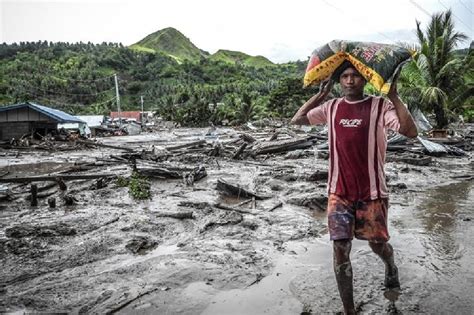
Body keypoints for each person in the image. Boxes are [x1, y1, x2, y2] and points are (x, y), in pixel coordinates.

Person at [291, 61, 418, 314]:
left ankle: (390, 265)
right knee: (340, 248)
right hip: (339, 193)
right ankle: (349, 311)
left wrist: (394, 96)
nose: (350, 81)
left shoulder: (380, 106)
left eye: (356, 76)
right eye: (345, 76)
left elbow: (410, 131)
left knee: (377, 244)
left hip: (372, 192)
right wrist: (320, 95)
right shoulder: (331, 107)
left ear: (366, 79)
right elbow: (298, 120)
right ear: (339, 81)